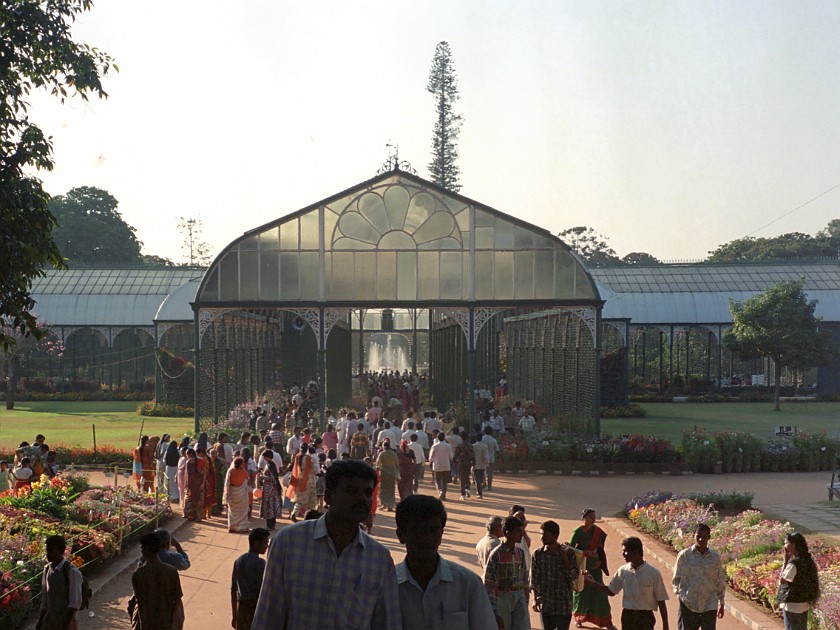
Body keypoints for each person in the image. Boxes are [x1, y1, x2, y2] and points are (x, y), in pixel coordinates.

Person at [251, 460, 401, 629]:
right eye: (352, 491)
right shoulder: (289, 542)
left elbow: (386, 624)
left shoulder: (379, 558)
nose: (362, 499)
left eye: (367, 492)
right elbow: (268, 615)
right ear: (329, 496)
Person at [395, 494, 497, 630]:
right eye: (419, 531)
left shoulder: (467, 584)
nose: (427, 538)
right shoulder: (386, 586)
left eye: (433, 531)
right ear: (401, 535)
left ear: (441, 534)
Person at [585, 537, 668, 630]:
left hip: (646, 618)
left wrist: (665, 625)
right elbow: (611, 591)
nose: (623, 554)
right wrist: (593, 582)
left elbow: (661, 600)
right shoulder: (623, 571)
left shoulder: (653, 573)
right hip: (628, 616)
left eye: (625, 551)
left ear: (636, 552)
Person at [672, 523, 725, 630]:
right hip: (688, 605)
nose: (701, 539)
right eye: (698, 536)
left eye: (704, 536)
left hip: (709, 605)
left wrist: (722, 603)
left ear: (709, 538)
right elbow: (676, 580)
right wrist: (681, 597)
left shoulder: (715, 558)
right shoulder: (684, 555)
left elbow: (719, 581)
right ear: (694, 536)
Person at [484, 515, 530, 630]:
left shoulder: (520, 552)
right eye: (519, 531)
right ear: (508, 533)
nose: (521, 534)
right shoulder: (496, 554)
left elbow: (524, 577)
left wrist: (525, 598)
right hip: (503, 596)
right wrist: (494, 610)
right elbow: (489, 583)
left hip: (519, 596)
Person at [571, 508, 614, 630]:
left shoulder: (597, 531)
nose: (594, 520)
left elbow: (600, 548)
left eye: (595, 517)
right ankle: (579, 618)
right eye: (591, 517)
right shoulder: (578, 532)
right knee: (582, 594)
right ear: (584, 518)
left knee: (600, 594)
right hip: (583, 568)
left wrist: (599, 561)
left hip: (595, 568)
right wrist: (585, 552)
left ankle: (607, 622)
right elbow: (571, 550)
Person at [531, 520, 579, 630]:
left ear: (555, 536)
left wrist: (564, 557)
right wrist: (535, 598)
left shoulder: (568, 553)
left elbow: (573, 576)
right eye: (541, 535)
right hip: (546, 605)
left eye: (545, 535)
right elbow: (534, 579)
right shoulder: (538, 554)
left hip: (563, 606)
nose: (541, 538)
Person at [131, 532, 183, 630]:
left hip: (148, 623)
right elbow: (177, 599)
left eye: (142, 548)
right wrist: (170, 619)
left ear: (146, 549)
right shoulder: (171, 571)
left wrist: (143, 625)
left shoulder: (139, 574)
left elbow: (141, 604)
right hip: (165, 622)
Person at [36, 535, 82, 630]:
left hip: (66, 623)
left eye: (51, 551)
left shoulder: (71, 572)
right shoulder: (47, 570)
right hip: (49, 622)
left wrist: (63, 625)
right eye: (47, 550)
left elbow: (74, 604)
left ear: (60, 551)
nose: (47, 554)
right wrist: (40, 622)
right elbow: (45, 601)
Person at [777, 531, 820, 630]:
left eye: (786, 543)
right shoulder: (808, 560)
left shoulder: (793, 564)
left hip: (792, 605)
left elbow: (782, 581)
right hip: (804, 604)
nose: (784, 546)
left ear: (793, 545)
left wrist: (785, 560)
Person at [231, 528, 270, 630]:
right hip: (255, 608)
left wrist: (234, 615)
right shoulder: (260, 563)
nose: (267, 546)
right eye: (265, 543)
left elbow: (233, 590)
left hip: (241, 609)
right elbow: (263, 590)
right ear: (256, 543)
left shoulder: (238, 561)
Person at [286, 445, 317, 521]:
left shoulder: (297, 456)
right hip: (309, 480)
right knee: (311, 499)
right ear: (307, 450)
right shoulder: (309, 458)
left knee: (300, 500)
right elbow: (313, 469)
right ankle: (309, 516)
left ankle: (294, 514)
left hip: (300, 479)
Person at [224, 457, 251, 533]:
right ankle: (241, 528)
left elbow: (227, 483)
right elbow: (247, 478)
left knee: (232, 510)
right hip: (241, 494)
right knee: (242, 510)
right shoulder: (243, 471)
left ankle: (232, 527)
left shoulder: (230, 471)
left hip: (232, 493)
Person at [258, 450, 283, 530]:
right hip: (270, 489)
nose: (264, 458)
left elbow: (272, 478)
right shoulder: (270, 465)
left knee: (270, 506)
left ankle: (270, 525)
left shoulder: (270, 465)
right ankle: (271, 525)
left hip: (270, 489)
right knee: (271, 507)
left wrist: (262, 477)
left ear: (268, 457)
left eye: (265, 457)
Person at [375, 439, 399, 511]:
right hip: (392, 474)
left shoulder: (381, 454)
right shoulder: (394, 454)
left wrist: (377, 471)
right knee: (391, 490)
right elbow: (397, 464)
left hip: (384, 473)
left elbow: (377, 464)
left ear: (383, 447)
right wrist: (397, 474)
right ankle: (390, 506)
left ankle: (384, 504)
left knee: (383, 489)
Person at [428, 434, 453, 501]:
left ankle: (440, 491)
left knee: (438, 480)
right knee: (444, 481)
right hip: (446, 465)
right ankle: (443, 494)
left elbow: (430, 458)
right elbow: (451, 457)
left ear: (437, 438)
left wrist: (431, 461)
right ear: (444, 438)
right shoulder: (448, 446)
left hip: (437, 466)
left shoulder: (435, 446)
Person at [183, 448, 205, 522]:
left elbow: (204, 473)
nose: (187, 456)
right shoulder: (190, 461)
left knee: (195, 500)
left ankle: (194, 516)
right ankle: (193, 516)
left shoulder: (199, 461)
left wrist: (203, 483)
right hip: (193, 484)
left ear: (190, 454)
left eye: (187, 455)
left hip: (196, 484)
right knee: (193, 500)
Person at [452, 433, 475, 500]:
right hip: (468, 463)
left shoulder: (459, 446)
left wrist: (454, 461)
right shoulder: (470, 445)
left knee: (461, 478)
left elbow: (456, 455)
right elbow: (472, 455)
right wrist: (473, 463)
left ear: (461, 438)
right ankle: (467, 488)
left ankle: (463, 494)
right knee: (467, 476)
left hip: (461, 463)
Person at [481, 427, 500, 491]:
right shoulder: (493, 440)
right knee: (490, 473)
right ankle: (489, 486)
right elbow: (497, 450)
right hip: (491, 458)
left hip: (483, 457)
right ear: (491, 432)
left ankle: (483, 482)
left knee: (483, 471)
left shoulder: (482, 439)